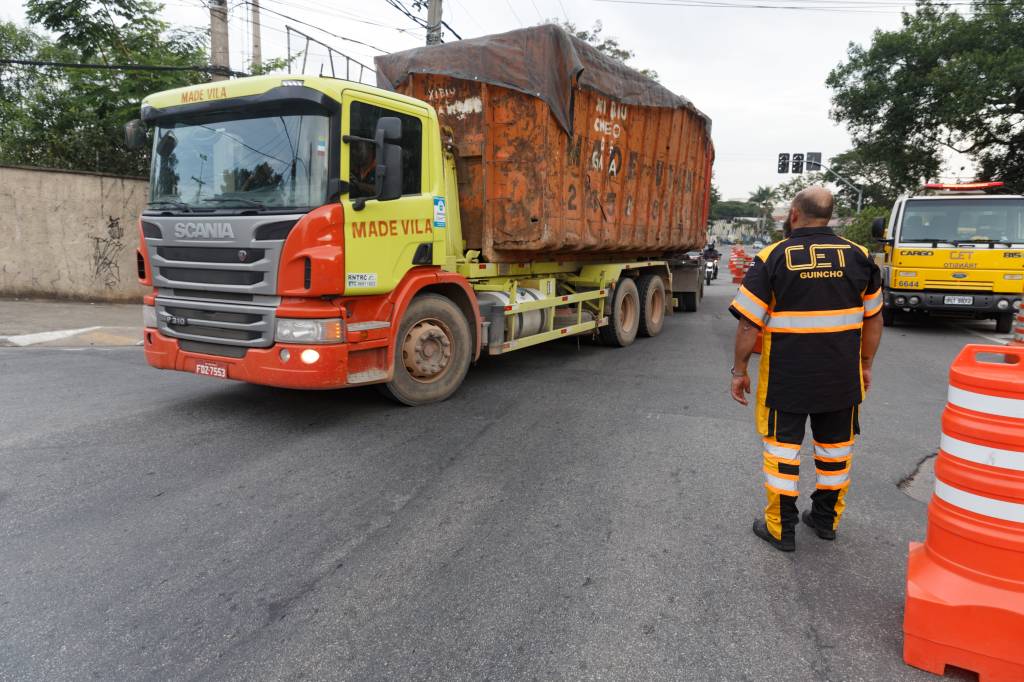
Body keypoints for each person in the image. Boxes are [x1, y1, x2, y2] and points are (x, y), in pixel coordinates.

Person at [728, 187, 883, 552]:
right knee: (835, 451)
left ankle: (781, 529)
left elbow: (749, 324)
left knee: (783, 451)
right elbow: (874, 319)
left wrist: (739, 370)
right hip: (841, 375)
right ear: (829, 216)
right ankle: (826, 520)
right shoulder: (859, 257)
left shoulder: (773, 257)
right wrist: (865, 365)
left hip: (787, 376)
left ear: (794, 213)